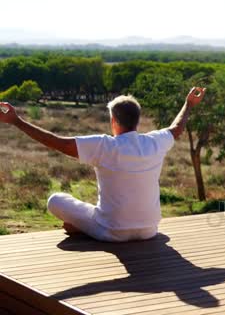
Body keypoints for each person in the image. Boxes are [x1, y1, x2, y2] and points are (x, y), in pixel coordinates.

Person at [0, 87, 206, 242]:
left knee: (55, 200)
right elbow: (177, 128)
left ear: (113, 121)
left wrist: (17, 121)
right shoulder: (155, 142)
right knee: (93, 211)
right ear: (137, 120)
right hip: (149, 230)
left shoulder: (104, 146)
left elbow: (57, 142)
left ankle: (84, 226)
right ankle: (85, 224)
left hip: (111, 232)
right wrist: (188, 104)